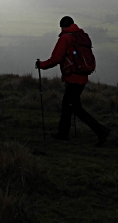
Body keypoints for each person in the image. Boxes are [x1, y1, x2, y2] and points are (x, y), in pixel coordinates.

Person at [36, 16, 111, 146]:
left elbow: (56, 58)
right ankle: (62, 133)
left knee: (75, 107)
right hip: (82, 77)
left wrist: (41, 65)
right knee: (67, 104)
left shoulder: (65, 38)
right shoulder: (80, 36)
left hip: (73, 78)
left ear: (62, 27)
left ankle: (101, 131)